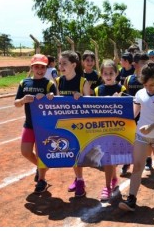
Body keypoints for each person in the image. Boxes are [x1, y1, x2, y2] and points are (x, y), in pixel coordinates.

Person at [118, 62, 154, 212]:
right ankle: (131, 199)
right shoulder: (140, 94)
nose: (149, 88)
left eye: (152, 84)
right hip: (141, 136)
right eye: (146, 85)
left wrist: (151, 127)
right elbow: (133, 114)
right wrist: (117, 101)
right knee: (138, 167)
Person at [14, 54, 57, 194]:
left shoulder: (49, 84)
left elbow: (57, 103)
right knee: (25, 152)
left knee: (41, 153)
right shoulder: (24, 83)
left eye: (43, 67)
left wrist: (50, 98)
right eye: (37, 66)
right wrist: (23, 100)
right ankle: (41, 167)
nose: (39, 69)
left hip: (44, 126)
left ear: (46, 68)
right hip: (29, 124)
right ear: (32, 67)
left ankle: (42, 180)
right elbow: (16, 104)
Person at [56, 50, 91, 197]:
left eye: (65, 63)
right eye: (60, 63)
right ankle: (78, 178)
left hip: (80, 125)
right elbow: (57, 103)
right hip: (65, 123)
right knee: (71, 153)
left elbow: (90, 105)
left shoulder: (83, 82)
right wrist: (51, 97)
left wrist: (81, 97)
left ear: (74, 65)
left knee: (77, 153)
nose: (61, 66)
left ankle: (81, 181)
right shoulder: (58, 81)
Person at [94, 59, 126, 201]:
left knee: (110, 159)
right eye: (105, 73)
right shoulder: (97, 90)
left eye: (111, 73)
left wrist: (118, 100)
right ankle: (112, 181)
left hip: (118, 130)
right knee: (108, 159)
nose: (108, 76)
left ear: (116, 73)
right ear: (101, 74)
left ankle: (108, 186)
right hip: (102, 130)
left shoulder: (122, 89)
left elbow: (128, 109)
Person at [120, 52, 153, 176]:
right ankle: (127, 161)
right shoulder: (129, 79)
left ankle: (148, 159)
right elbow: (123, 94)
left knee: (147, 138)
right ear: (135, 64)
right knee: (130, 138)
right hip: (132, 114)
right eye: (142, 63)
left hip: (146, 114)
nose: (146, 66)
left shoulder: (149, 80)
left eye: (147, 63)